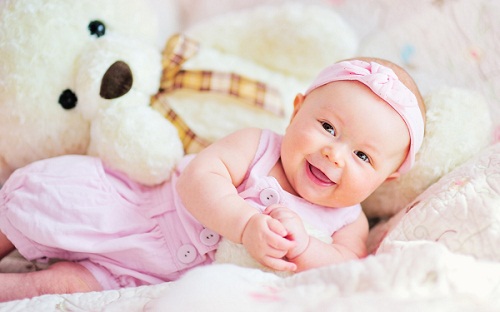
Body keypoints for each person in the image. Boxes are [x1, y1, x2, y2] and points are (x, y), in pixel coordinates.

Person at [0, 58, 425, 301]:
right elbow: (198, 179)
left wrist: (306, 247)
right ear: (298, 109)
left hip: (147, 279)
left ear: (386, 179)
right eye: (328, 127)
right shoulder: (259, 146)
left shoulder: (350, 221)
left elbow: (348, 268)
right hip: (134, 215)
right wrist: (244, 225)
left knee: (58, 288)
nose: (334, 153)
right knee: (39, 204)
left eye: (362, 155)